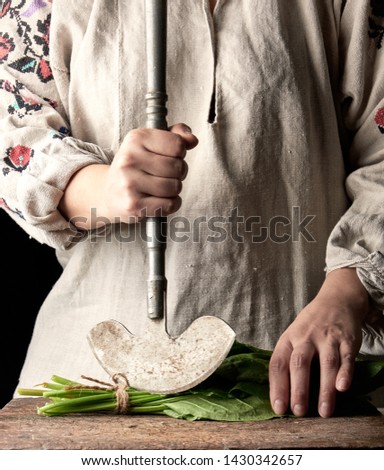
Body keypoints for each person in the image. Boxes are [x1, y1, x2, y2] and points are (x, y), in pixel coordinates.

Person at [1, 0, 383, 418]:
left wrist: (347, 294)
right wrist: (103, 188)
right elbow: (13, 138)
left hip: (302, 383)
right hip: (92, 384)